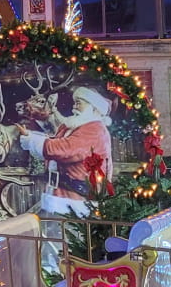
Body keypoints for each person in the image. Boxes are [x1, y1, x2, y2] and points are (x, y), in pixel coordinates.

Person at [16, 86, 114, 216]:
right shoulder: (76, 126)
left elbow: (65, 149)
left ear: (94, 108)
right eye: (75, 102)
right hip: (60, 193)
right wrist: (32, 136)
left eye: (79, 103)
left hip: (76, 199)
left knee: (69, 232)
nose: (75, 106)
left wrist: (32, 141)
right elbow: (56, 140)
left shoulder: (95, 130)